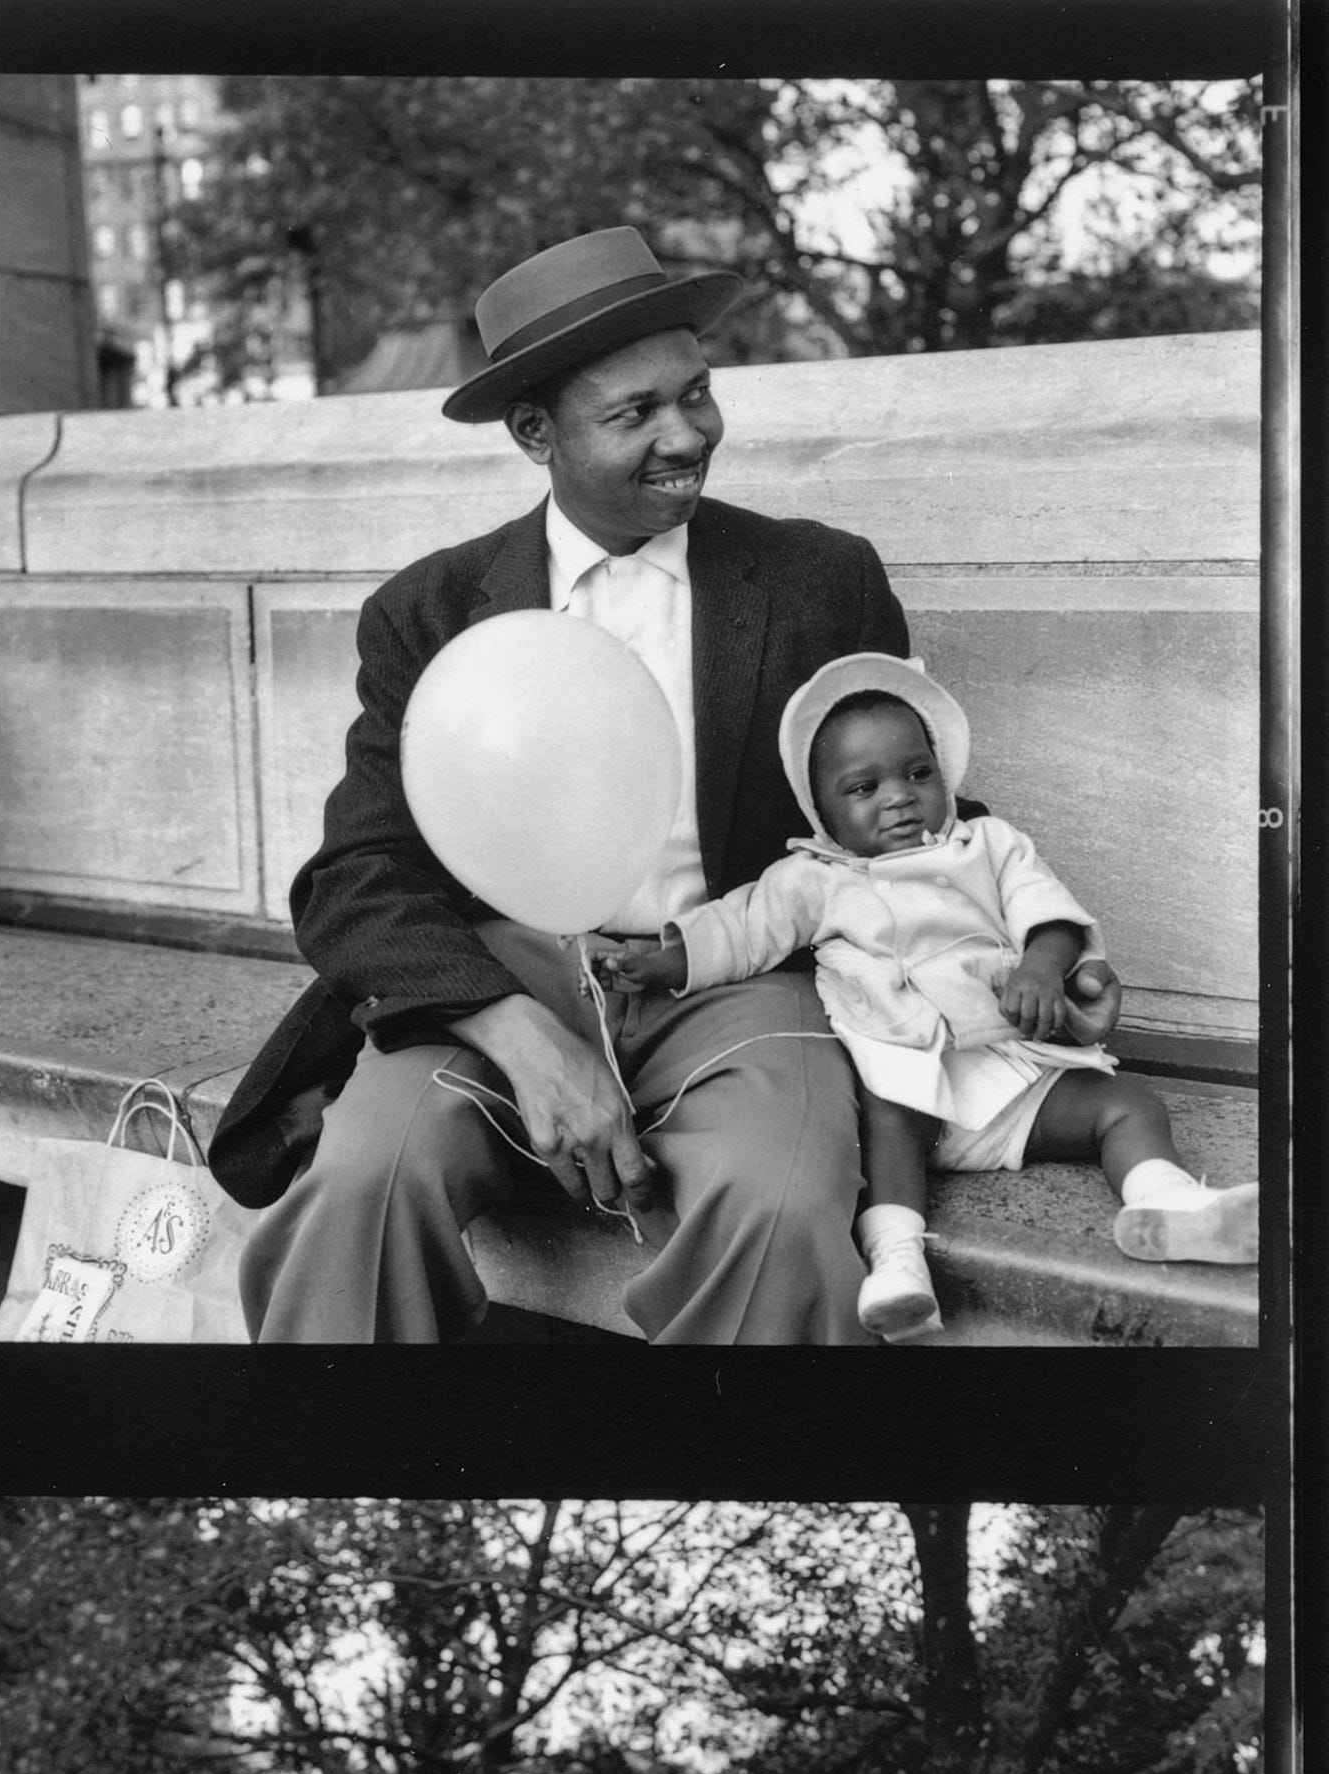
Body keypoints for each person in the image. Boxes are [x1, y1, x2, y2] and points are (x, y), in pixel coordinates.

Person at [207, 225, 915, 1343]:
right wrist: (519, 1032)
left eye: (697, 394)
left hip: (737, 975)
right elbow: (356, 876)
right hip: (495, 984)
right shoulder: (430, 613)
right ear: (534, 433)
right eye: (633, 414)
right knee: (362, 1190)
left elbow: (903, 813)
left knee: (780, 1212)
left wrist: (1030, 938)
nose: (686, 434)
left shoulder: (820, 580)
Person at [601, 655, 1258, 1338]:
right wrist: (662, 963)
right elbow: (741, 931)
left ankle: (1166, 1203)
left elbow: (1050, 914)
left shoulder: (990, 844)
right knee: (884, 1125)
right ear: (820, 811)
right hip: (907, 1078)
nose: (898, 796)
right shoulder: (814, 878)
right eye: (863, 787)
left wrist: (1040, 967)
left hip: (1012, 1077)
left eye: (918, 773)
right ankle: (899, 1266)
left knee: (1127, 1105)